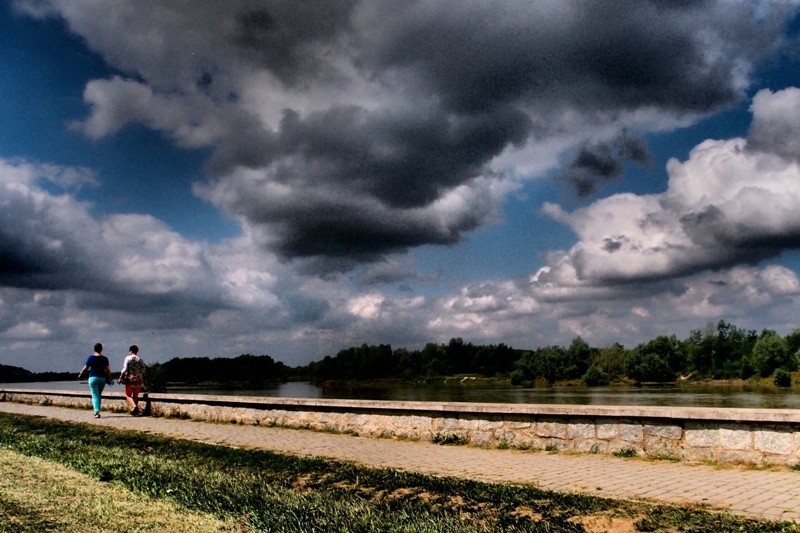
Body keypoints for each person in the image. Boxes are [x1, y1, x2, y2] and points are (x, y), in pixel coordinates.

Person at [78, 342, 112, 418]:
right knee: (98, 395)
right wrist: (110, 377)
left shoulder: (91, 358)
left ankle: (97, 412)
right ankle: (98, 410)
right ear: (101, 349)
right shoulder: (104, 359)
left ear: (94, 349)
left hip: (93, 378)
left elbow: (86, 368)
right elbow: (108, 370)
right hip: (102, 379)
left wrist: (80, 374)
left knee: (95, 395)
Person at [118, 345, 147, 416]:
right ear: (137, 351)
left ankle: (134, 406)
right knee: (135, 396)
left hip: (130, 379)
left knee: (127, 395)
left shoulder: (128, 358)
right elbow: (143, 370)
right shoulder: (140, 359)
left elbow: (124, 369)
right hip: (139, 379)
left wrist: (120, 378)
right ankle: (135, 412)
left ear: (131, 351)